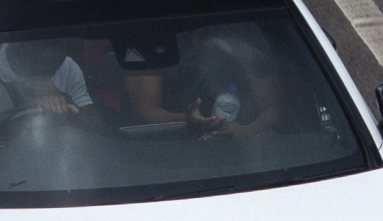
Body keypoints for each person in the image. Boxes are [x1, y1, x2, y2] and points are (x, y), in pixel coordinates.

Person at [121, 22, 287, 136]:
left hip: (245, 148)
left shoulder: (240, 30)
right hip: (170, 149)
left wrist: (248, 132)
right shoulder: (147, 35)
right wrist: (188, 120)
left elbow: (273, 106)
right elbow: (147, 110)